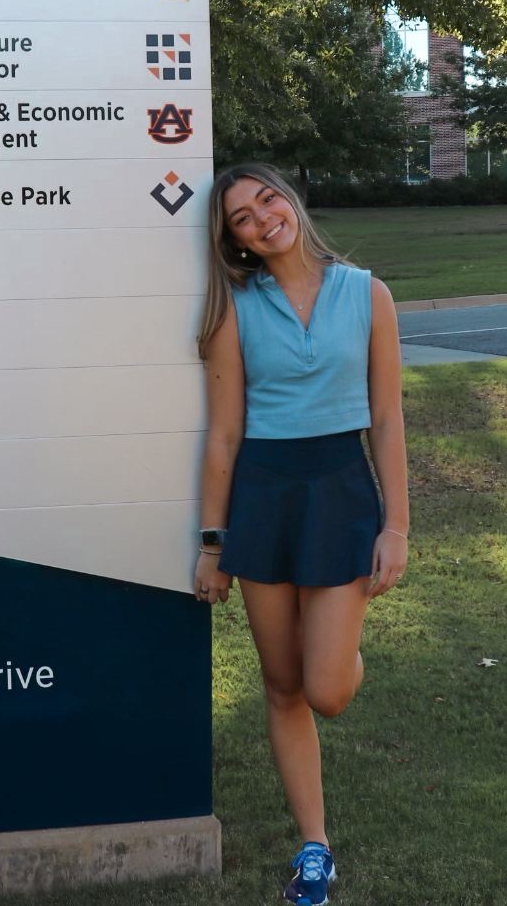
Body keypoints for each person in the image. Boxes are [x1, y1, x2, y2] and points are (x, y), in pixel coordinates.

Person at [192, 162, 409, 906]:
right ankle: (315, 846)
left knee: (328, 689)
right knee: (282, 686)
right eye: (242, 220)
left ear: (290, 200)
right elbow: (223, 434)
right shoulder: (234, 308)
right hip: (264, 495)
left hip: (341, 492)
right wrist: (213, 543)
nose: (260, 220)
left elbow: (386, 419)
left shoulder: (368, 294)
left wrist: (397, 528)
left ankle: (343, 648)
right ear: (236, 242)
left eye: (265, 201)